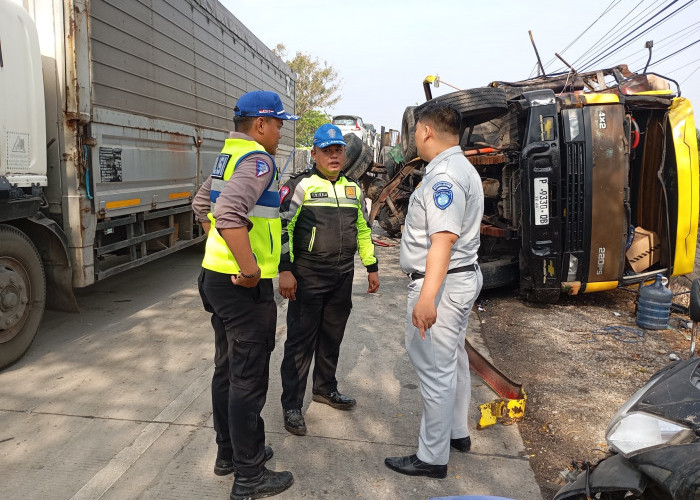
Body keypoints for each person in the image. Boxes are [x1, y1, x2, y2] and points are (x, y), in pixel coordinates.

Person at [192, 90, 298, 499]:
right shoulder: (258, 159)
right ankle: (250, 475)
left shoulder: (226, 157)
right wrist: (249, 267)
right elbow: (230, 213)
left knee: (227, 370)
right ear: (260, 125)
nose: (280, 131)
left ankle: (231, 453)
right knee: (247, 379)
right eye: (278, 124)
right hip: (241, 288)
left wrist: (218, 252)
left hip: (215, 280)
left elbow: (201, 206)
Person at [384, 102, 484, 479]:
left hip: (441, 283)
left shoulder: (444, 176)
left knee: (436, 370)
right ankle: (456, 432)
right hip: (458, 278)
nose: (414, 138)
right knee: (454, 361)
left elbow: (442, 240)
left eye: (415, 131)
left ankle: (432, 457)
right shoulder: (461, 168)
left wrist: (427, 298)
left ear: (425, 131)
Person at [278, 123, 380, 436]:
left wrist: (371, 265)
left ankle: (324, 388)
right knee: (300, 342)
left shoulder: (353, 188)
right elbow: (283, 228)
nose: (334, 156)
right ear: (315, 153)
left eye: (338, 150)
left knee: (332, 336)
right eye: (327, 150)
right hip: (307, 274)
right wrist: (285, 269)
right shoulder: (301, 185)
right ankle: (292, 405)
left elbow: (363, 229)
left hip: (342, 274)